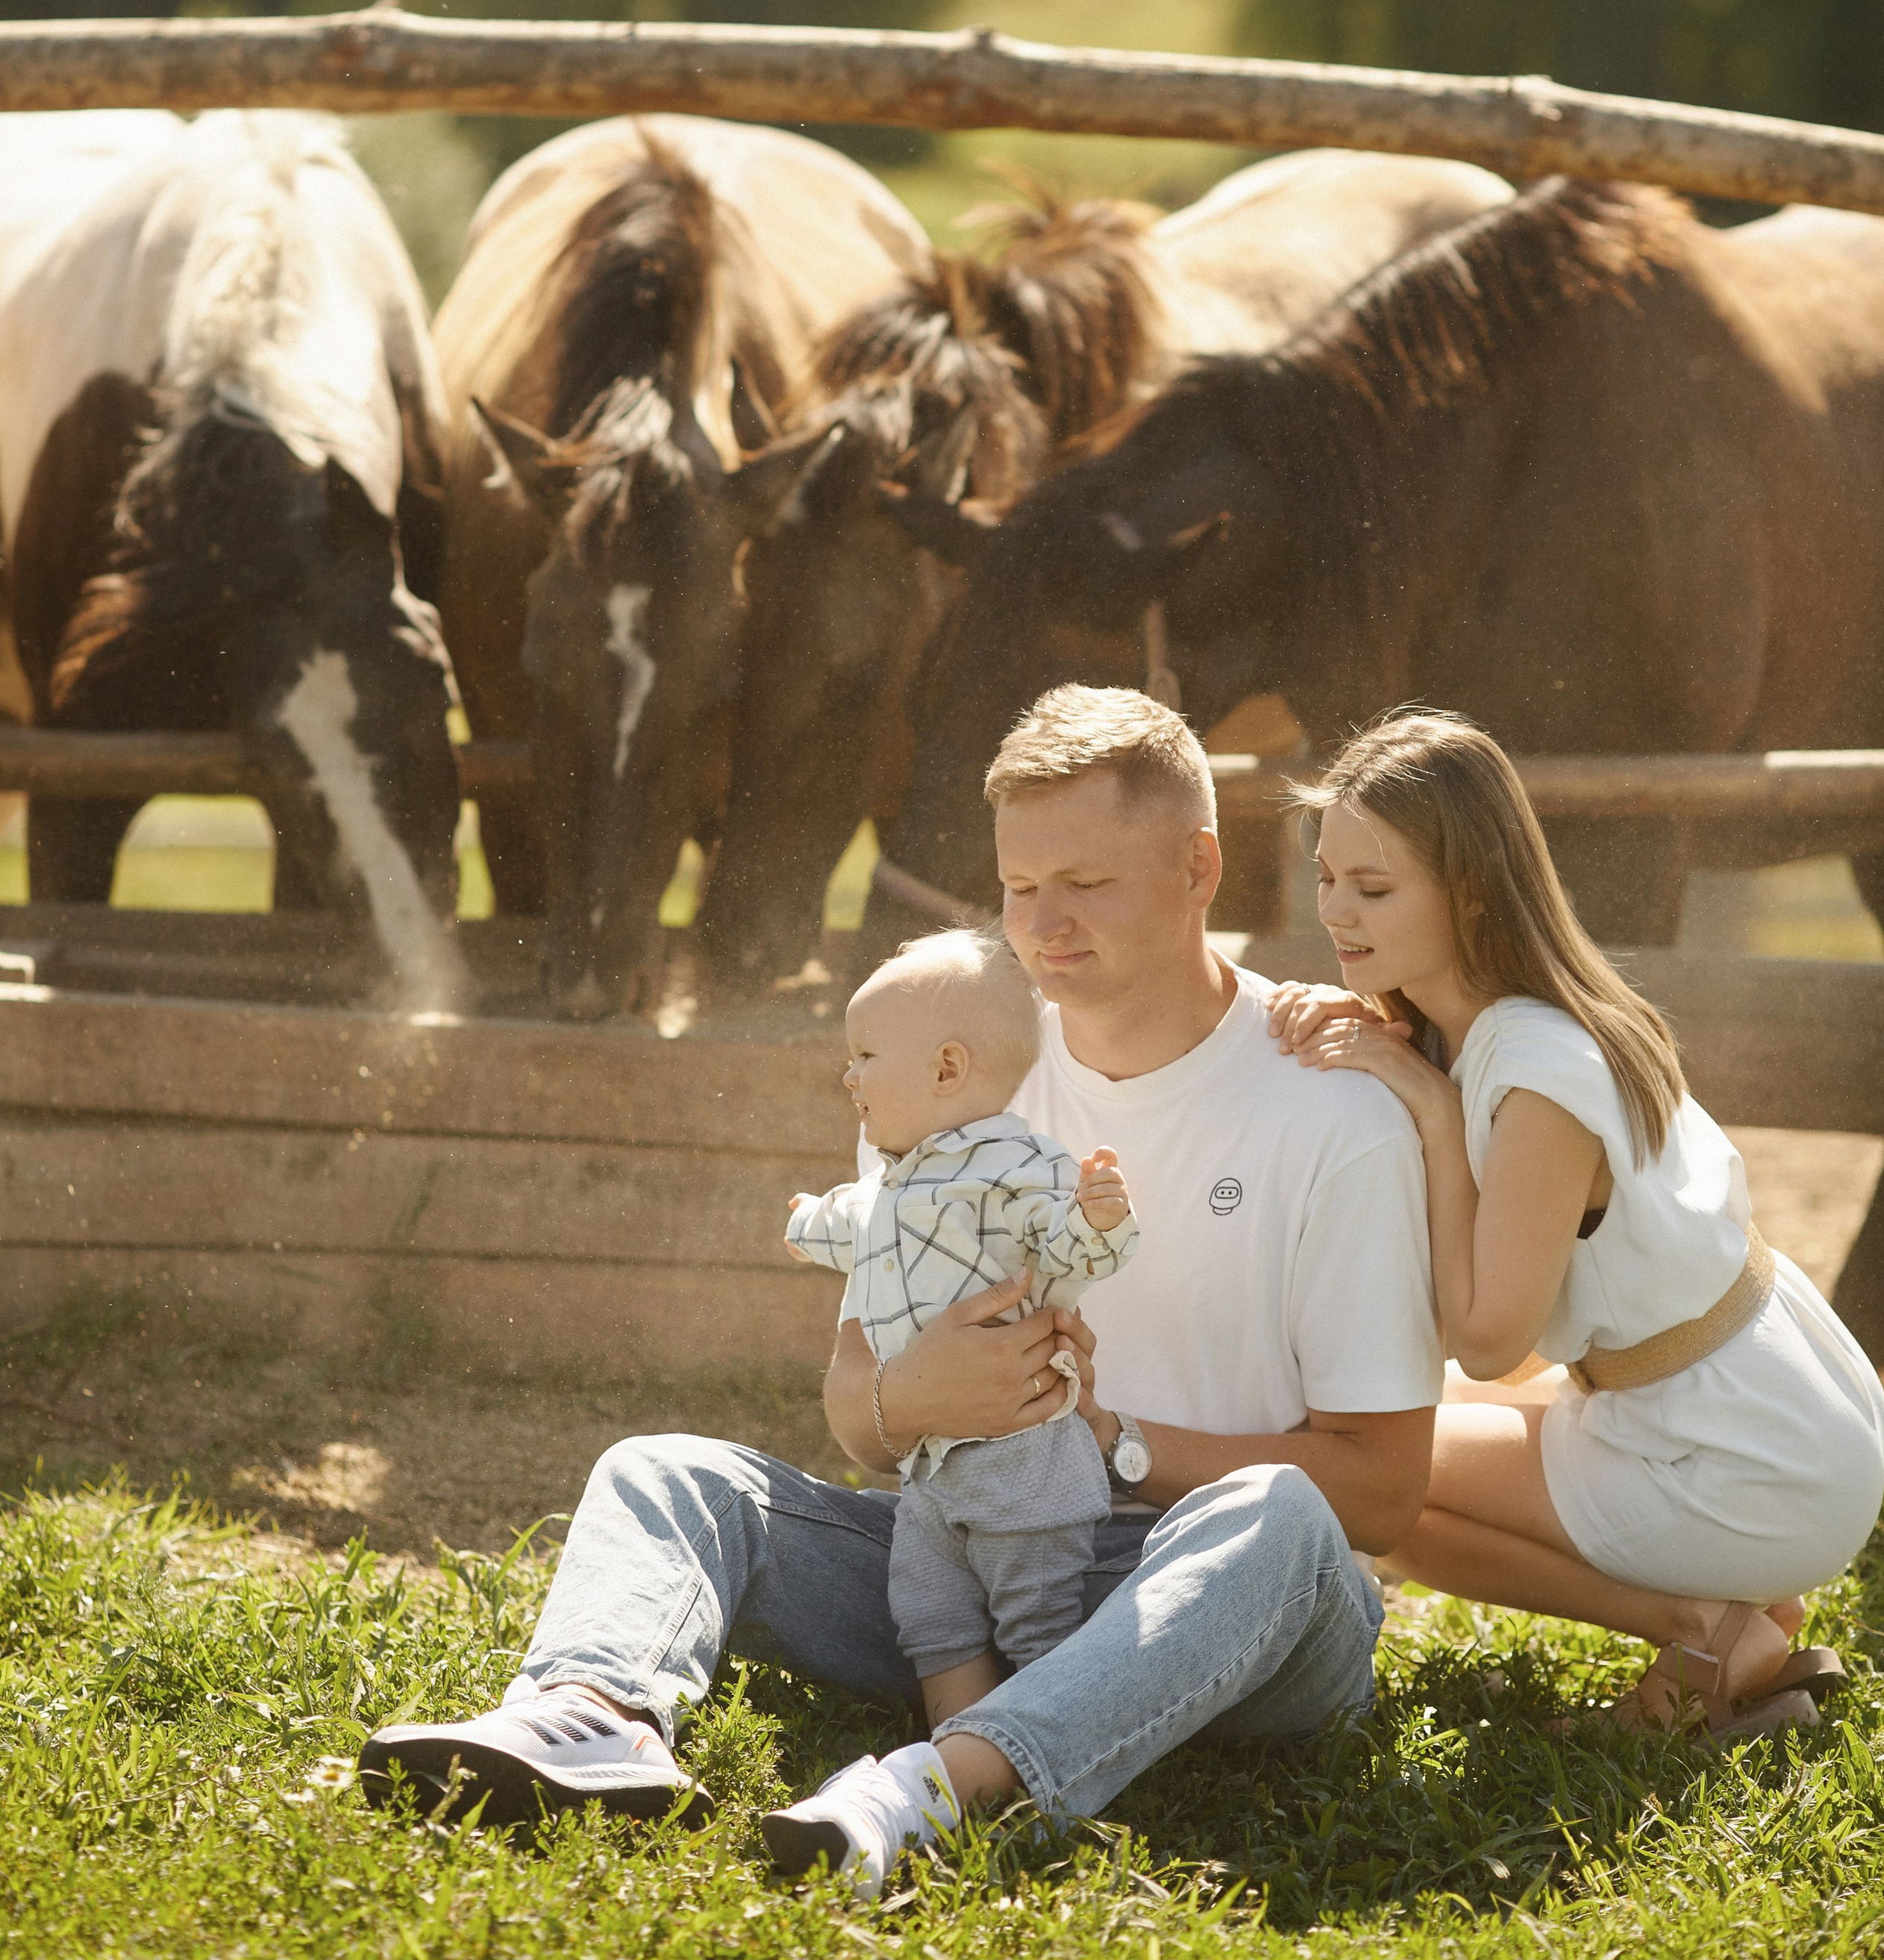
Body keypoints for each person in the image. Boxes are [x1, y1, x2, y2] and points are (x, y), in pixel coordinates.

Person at [358, 686, 1443, 1896]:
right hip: (983, 1559)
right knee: (667, 1472)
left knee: (1279, 1511)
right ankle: (591, 1716)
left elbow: (1385, 1495)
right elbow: (859, 1416)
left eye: (1086, 884)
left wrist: (1107, 1441)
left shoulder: (1333, 1109)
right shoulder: (958, 1069)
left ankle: (932, 1788)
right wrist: (913, 1396)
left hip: (1237, 1610)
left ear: (1200, 866)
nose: (1045, 925)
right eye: (1020, 889)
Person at [1268, 707, 1884, 1742]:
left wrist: (1424, 1108)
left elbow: (1490, 1338)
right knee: (1376, 1446)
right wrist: (1379, 1041)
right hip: (1750, 1388)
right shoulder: (1505, 1016)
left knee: (1377, 1491)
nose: (1337, 909)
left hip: (1744, 1452)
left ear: (1470, 895)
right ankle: (1736, 1614)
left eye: (1373, 889)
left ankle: (1706, 1628)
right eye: (1327, 876)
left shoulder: (1537, 1076)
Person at [779, 930, 1139, 1759]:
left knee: (1036, 1614)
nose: (848, 1073)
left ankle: (1046, 1748)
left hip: (1023, 1459)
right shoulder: (891, 1179)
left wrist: (1096, 1219)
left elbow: (1065, 1252)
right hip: (931, 1469)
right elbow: (852, 1218)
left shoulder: (1018, 1167)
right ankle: (953, 1757)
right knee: (931, 1613)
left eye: (865, 1054)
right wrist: (804, 1223)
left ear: (946, 1069)